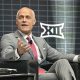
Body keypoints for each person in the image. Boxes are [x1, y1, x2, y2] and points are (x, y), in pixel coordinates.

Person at [1, 6, 80, 80]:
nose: (24, 20)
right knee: (61, 75)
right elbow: (5, 56)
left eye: (28, 17)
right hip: (26, 75)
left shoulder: (40, 41)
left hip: (43, 73)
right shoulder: (8, 37)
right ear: (16, 22)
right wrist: (18, 52)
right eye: (21, 17)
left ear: (34, 21)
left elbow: (58, 55)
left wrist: (77, 58)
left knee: (62, 62)